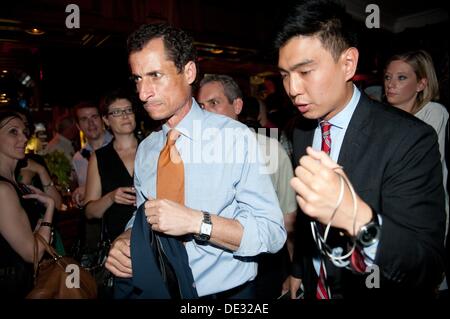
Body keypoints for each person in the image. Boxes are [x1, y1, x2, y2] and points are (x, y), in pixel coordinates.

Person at [275, 0, 445, 298]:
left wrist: (356, 217)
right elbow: (308, 219)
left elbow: (424, 265)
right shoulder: (301, 130)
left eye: (305, 72)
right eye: (284, 75)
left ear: (348, 64)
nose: (292, 88)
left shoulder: (409, 138)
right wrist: (299, 270)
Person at [105, 23, 286, 299]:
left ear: (188, 72)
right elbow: (143, 214)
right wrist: (127, 238)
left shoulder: (236, 138)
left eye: (155, 75)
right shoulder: (147, 149)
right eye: (138, 79)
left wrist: (197, 222)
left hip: (228, 296)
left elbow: (272, 233)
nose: (143, 93)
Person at [197, 74, 297, 298]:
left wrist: (294, 271)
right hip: (206, 273)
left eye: (214, 103)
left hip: (262, 265)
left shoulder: (269, 150)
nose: (205, 113)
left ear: (238, 105)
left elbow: (289, 218)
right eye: (201, 106)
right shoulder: (193, 154)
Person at [384, 50, 449, 234]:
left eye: (401, 77)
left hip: (423, 210)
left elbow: (418, 166)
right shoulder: (384, 116)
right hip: (390, 211)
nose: (391, 84)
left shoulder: (434, 112)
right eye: (388, 77)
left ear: (421, 84)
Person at [0, 110, 56, 298]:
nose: (23, 138)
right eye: (13, 132)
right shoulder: (3, 190)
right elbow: (32, 254)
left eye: (24, 131)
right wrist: (48, 210)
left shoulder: (15, 185)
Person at [84, 89, 138, 241]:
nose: (125, 116)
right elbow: (90, 212)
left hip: (154, 238)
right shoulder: (99, 157)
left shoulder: (152, 147)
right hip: (118, 243)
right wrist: (111, 197)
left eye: (128, 110)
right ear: (106, 120)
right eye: (117, 112)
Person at [71, 101, 113, 207]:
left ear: (103, 119)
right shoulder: (78, 158)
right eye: (84, 119)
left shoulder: (119, 146)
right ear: (78, 126)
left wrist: (88, 190)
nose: (91, 123)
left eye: (94, 117)